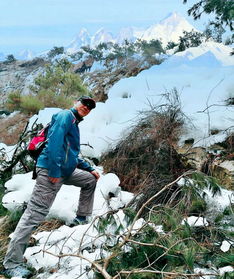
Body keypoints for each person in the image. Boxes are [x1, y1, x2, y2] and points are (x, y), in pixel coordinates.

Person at [2, 96, 100, 278]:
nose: (87, 107)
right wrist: (54, 170)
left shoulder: (73, 123)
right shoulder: (65, 116)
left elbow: (70, 155)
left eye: (90, 107)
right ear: (75, 103)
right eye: (84, 103)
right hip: (50, 171)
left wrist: (89, 169)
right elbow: (54, 143)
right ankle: (11, 263)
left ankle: (81, 219)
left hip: (64, 171)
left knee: (89, 180)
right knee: (34, 214)